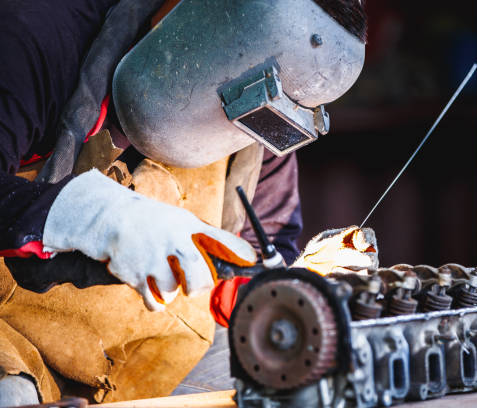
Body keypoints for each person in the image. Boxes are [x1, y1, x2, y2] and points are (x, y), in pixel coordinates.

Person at [0, 0, 367, 405]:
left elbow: (268, 253)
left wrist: (287, 291)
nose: (245, 126)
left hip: (154, 358)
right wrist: (87, 215)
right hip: (11, 341)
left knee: (300, 381)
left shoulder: (263, 121)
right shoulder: (34, 36)